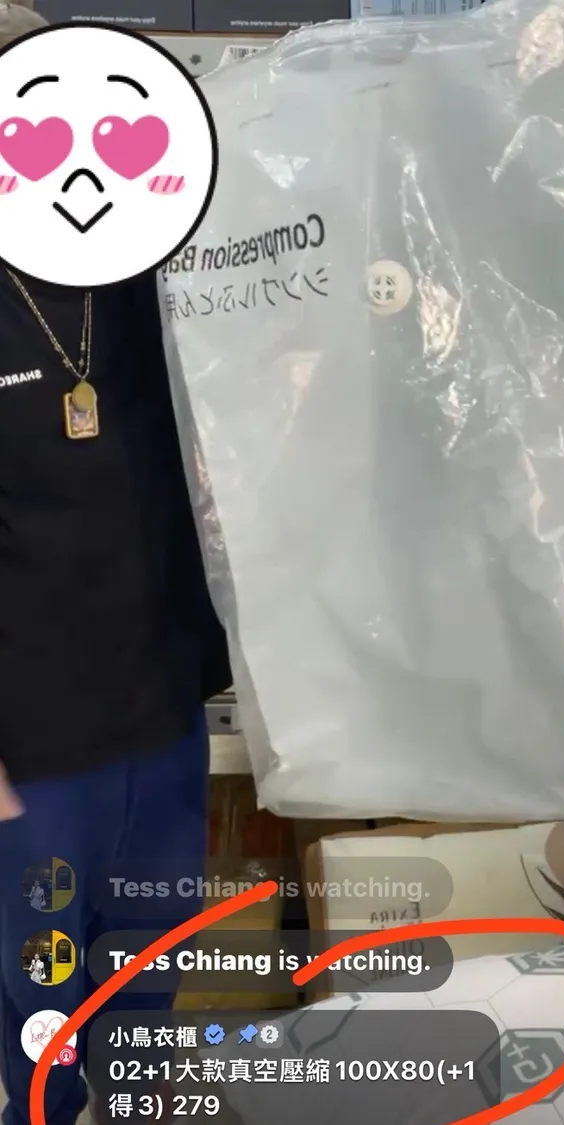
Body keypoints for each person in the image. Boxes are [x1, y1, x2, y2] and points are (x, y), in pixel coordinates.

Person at [0, 6, 232, 1124]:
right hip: (32, 740)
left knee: (149, 965)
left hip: (163, 703)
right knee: (41, 998)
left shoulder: (155, 267)